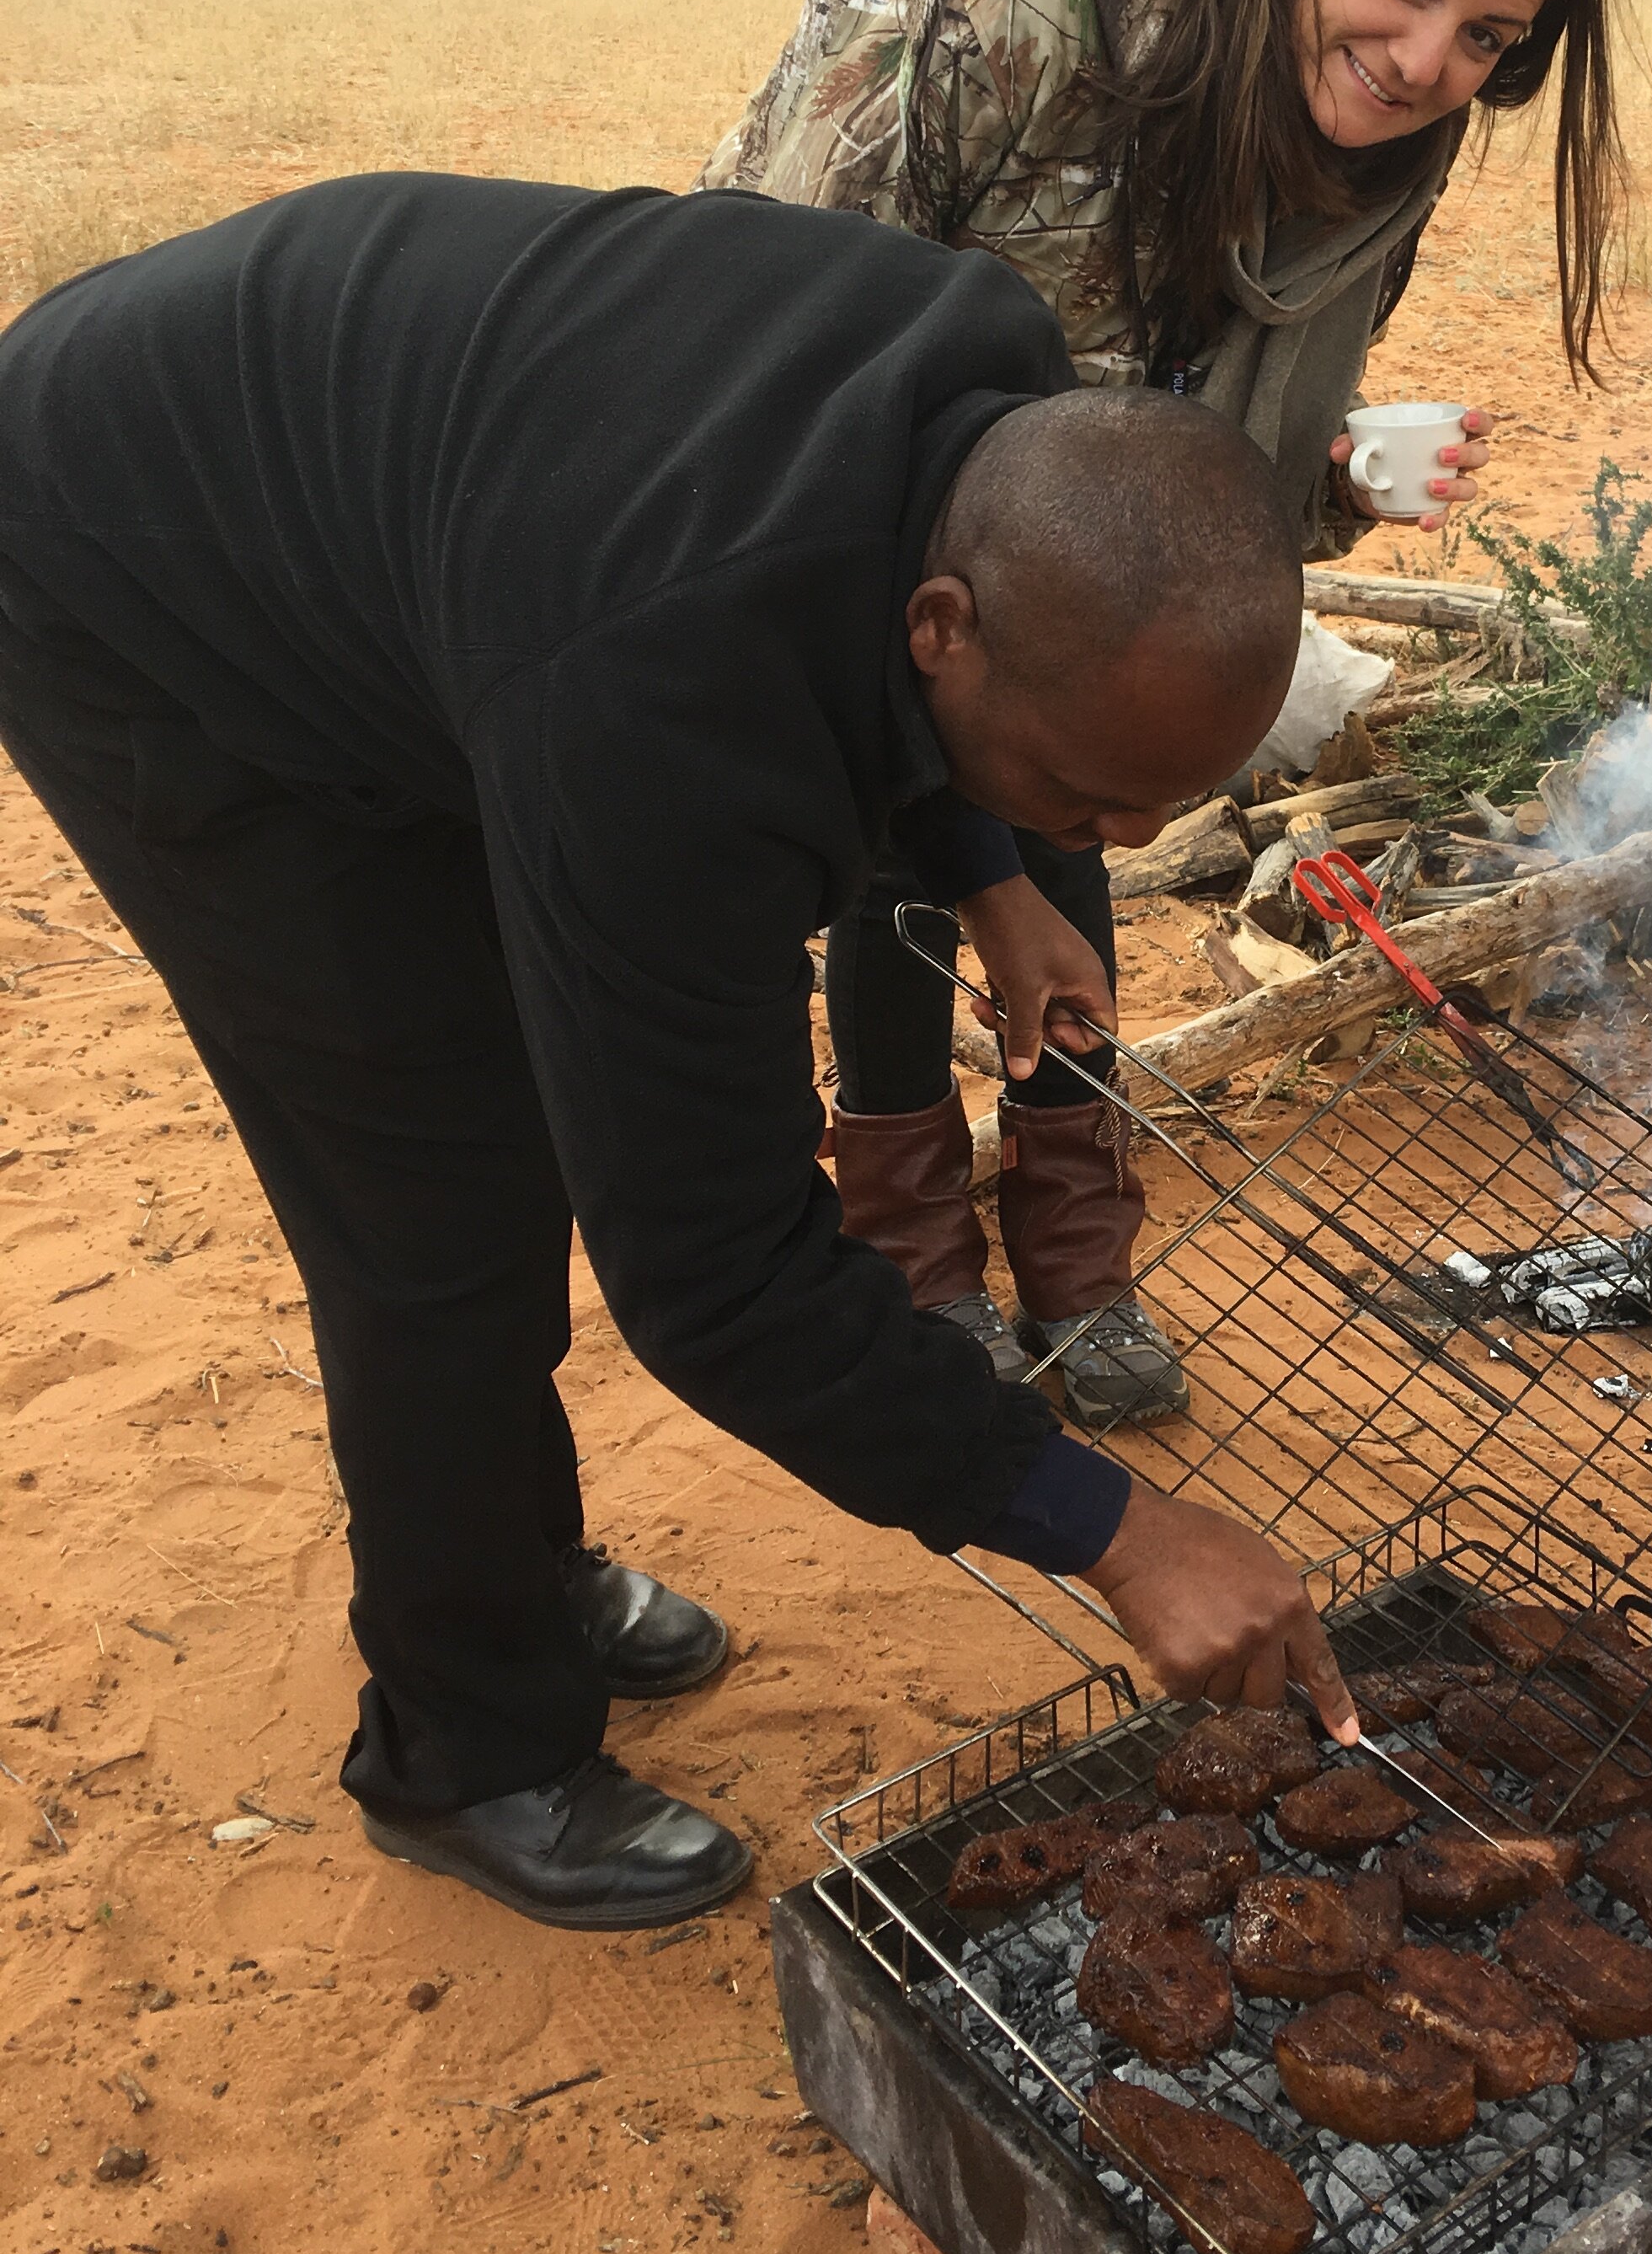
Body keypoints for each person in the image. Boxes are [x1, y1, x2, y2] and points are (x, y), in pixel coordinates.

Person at [0, 173, 1361, 1933]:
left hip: (450, 542)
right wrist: (1112, 1526)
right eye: (1087, 797)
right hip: (143, 580)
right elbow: (718, 1275)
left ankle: (517, 1575)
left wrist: (1001, 873)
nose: (1110, 834)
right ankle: (464, 1746)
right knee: (432, 1203)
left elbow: (860, 656)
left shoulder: (1004, 406)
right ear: (950, 630)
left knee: (519, 1113)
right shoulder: (662, 694)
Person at [703, 0, 1623, 1434]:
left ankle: (1075, 1258)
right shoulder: (994, 16)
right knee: (902, 859)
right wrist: (978, 860)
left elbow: (1183, 470)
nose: (1429, 65)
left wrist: (1333, 483)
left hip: (1062, 557)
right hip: (824, 500)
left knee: (1071, 822)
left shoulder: (1366, 171)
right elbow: (767, 378)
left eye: (1487, 40)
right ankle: (914, 1270)